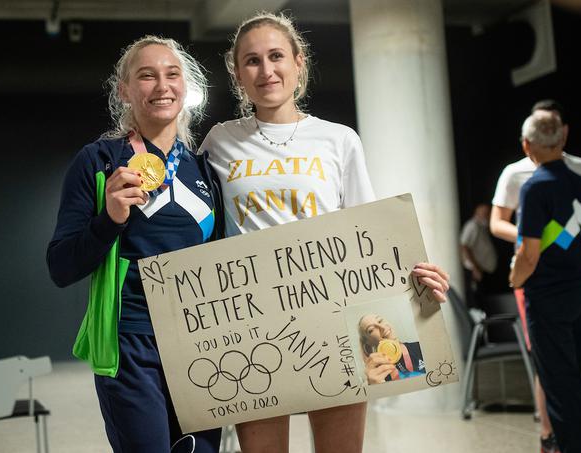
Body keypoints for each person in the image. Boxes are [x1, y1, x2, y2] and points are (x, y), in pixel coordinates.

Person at [198, 12, 450, 453]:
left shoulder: (338, 139)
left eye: (276, 56)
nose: (266, 70)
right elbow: (195, 225)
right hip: (254, 324)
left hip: (333, 315)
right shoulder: (219, 141)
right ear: (238, 75)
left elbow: (367, 233)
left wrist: (417, 279)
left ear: (298, 63)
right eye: (252, 61)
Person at [47, 36, 224, 453]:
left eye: (172, 74)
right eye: (146, 75)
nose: (161, 85)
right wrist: (109, 219)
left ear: (186, 88)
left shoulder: (204, 169)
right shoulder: (99, 161)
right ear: (124, 90)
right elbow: (60, 267)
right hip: (132, 345)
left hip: (200, 342)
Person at [490, 99, 581, 453]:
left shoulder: (549, 181)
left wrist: (526, 267)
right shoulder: (534, 176)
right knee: (560, 369)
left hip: (547, 282)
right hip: (568, 280)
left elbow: (533, 251)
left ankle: (574, 444)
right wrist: (554, 248)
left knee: (559, 372)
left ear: (528, 143)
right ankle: (554, 437)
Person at [358, 313, 425, 384]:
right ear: (369, 342)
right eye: (371, 330)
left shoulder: (420, 346)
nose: (382, 327)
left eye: (380, 321)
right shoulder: (377, 375)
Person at [459, 203, 497, 307]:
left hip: (483, 272)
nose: (487, 216)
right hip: (475, 273)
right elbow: (464, 246)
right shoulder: (472, 225)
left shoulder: (482, 227)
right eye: (485, 213)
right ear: (477, 213)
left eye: (488, 213)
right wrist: (475, 268)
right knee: (477, 304)